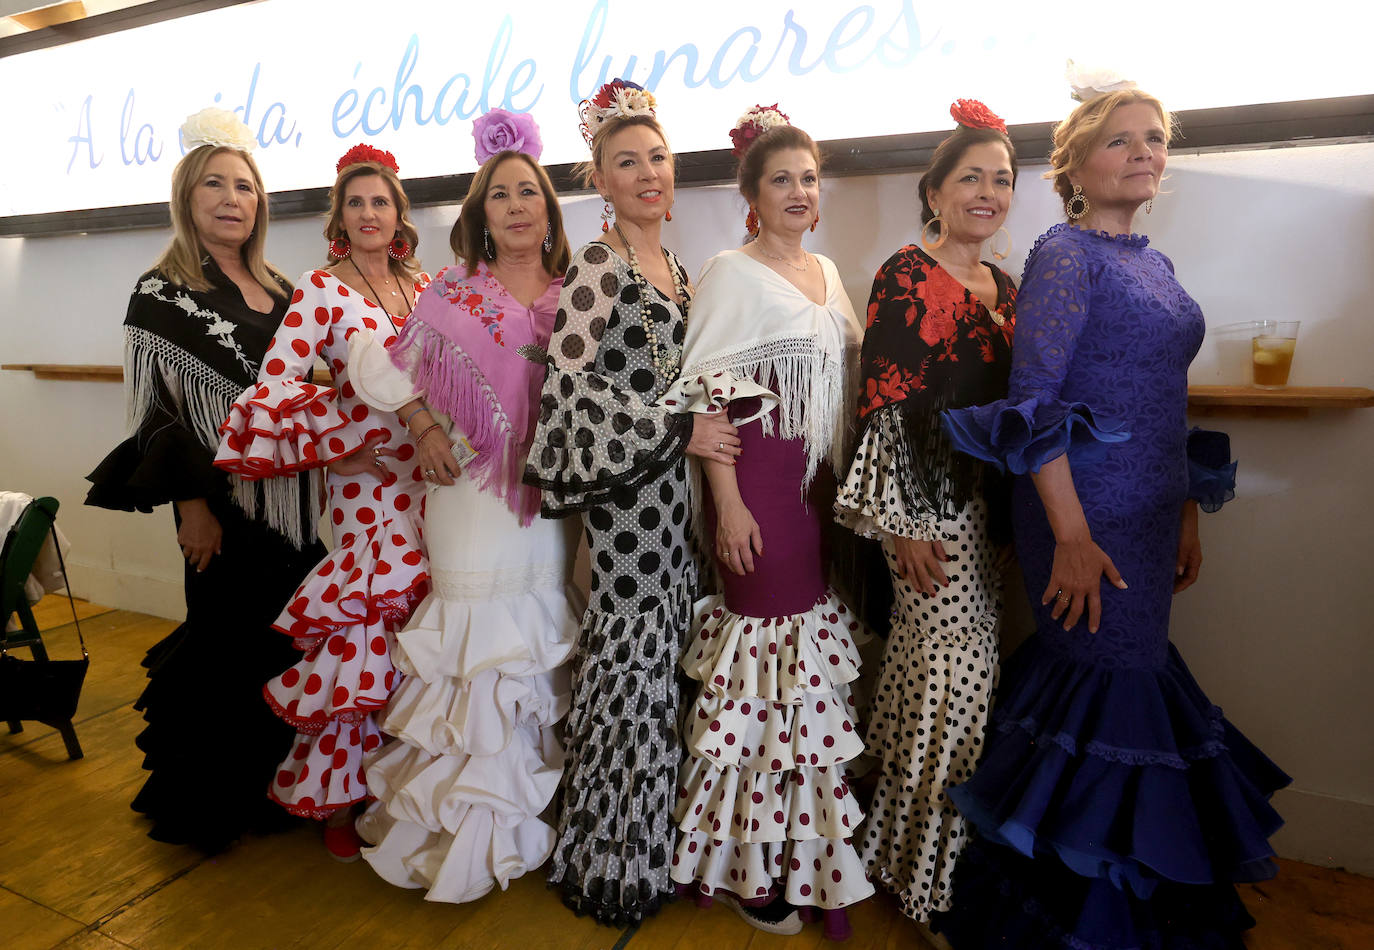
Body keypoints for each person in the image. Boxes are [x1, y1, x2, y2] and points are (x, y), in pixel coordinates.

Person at [933, 76, 1289, 948]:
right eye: (1122, 140)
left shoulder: (1154, 263)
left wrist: (1187, 514)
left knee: (1122, 688)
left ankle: (1119, 910)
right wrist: (1072, 536)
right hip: (1080, 511)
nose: (1144, 153)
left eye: (1156, 139)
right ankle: (1063, 925)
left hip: (1149, 510)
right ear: (1077, 163)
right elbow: (1034, 403)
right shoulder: (1066, 254)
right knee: (1101, 690)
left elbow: (1169, 396)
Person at [348, 111, 585, 903]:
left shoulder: (577, 295)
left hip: (550, 506)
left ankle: (523, 833)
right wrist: (421, 424)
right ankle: (454, 844)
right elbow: (381, 371)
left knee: (531, 657)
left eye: (530, 193)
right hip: (468, 502)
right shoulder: (453, 292)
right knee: (471, 662)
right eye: (501, 196)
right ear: (480, 217)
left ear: (549, 210)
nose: (518, 206)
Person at [523, 79, 740, 926]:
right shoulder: (599, 266)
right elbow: (568, 394)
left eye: (657, 158)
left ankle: (654, 846)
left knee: (662, 664)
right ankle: (610, 859)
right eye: (626, 162)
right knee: (631, 671)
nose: (648, 173)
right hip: (630, 502)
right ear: (600, 182)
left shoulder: (677, 270)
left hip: (674, 499)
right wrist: (677, 433)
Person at [86, 108, 325, 852]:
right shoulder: (161, 291)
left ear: (261, 202)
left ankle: (274, 793)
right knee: (223, 649)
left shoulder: (284, 291)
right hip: (219, 505)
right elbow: (157, 414)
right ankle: (210, 805)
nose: (232, 198)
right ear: (187, 196)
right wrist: (191, 507)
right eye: (215, 184)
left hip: (292, 500)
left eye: (245, 187)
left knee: (283, 645)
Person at [661, 106, 871, 941]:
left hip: (818, 496)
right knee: (763, 683)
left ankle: (807, 857)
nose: (798, 191)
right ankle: (755, 868)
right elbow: (706, 395)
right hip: (760, 495)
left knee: (805, 687)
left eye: (808, 179)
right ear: (751, 193)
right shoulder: (730, 271)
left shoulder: (827, 271)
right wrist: (729, 501)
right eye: (780, 178)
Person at [215, 143, 431, 861]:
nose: (369, 213)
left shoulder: (424, 284)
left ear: (399, 214)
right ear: (339, 215)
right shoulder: (321, 289)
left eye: (381, 201)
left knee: (418, 630)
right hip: (365, 483)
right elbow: (277, 381)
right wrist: (339, 446)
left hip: (431, 482)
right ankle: (341, 799)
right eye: (356, 202)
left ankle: (404, 788)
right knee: (362, 634)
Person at [833, 100, 1017, 934]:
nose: (988, 191)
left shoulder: (1009, 287)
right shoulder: (907, 273)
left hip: (993, 513)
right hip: (928, 511)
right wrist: (902, 525)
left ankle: (888, 849)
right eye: (970, 177)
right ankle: (929, 877)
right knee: (955, 680)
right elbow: (885, 405)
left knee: (923, 673)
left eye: (1002, 179)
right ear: (934, 192)